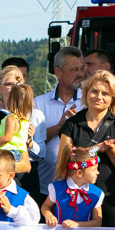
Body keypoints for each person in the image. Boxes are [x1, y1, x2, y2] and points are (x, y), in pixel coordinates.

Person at [59, 70, 115, 228]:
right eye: (94, 91)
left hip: (113, 197)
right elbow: (62, 164)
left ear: (112, 99)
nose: (99, 97)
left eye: (105, 93)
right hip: (78, 198)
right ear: (86, 93)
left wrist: (111, 150)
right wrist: (95, 149)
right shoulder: (72, 124)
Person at [36, 46, 85, 190]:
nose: (80, 74)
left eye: (81, 69)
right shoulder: (37, 104)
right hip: (45, 187)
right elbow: (31, 144)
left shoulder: (89, 102)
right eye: (73, 70)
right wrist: (60, 126)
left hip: (81, 190)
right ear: (58, 72)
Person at [0, 65, 46, 205]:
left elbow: (42, 152)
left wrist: (29, 142)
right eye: (9, 84)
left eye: (17, 84)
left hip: (27, 173)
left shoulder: (35, 115)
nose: (14, 88)